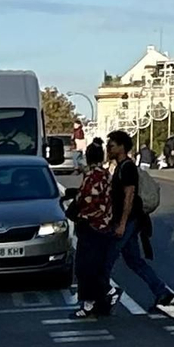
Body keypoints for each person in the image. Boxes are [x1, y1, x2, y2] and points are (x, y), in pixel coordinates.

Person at [105, 130, 174, 316]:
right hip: (129, 220)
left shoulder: (127, 167)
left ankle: (101, 297)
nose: (108, 148)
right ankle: (162, 292)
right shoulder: (121, 166)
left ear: (122, 147)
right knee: (134, 261)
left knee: (107, 258)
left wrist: (122, 223)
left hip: (128, 220)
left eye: (112, 145)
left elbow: (129, 195)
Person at [69, 137, 118, 321]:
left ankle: (91, 303)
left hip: (91, 225)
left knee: (84, 268)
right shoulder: (106, 175)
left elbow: (86, 201)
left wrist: (78, 212)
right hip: (105, 225)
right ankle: (100, 300)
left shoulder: (91, 176)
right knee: (96, 267)